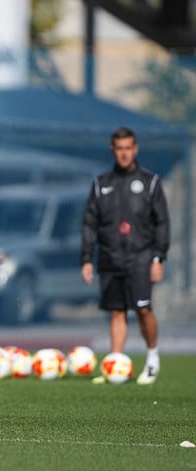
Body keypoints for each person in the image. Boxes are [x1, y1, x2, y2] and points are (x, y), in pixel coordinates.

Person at [80, 127, 170, 385]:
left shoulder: (150, 182)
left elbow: (162, 222)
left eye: (128, 148)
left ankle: (152, 358)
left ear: (135, 149)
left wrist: (158, 257)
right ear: (113, 150)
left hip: (141, 258)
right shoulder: (101, 184)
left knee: (143, 309)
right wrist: (86, 258)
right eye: (119, 149)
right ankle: (115, 363)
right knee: (116, 311)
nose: (124, 153)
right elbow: (89, 224)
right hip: (110, 257)